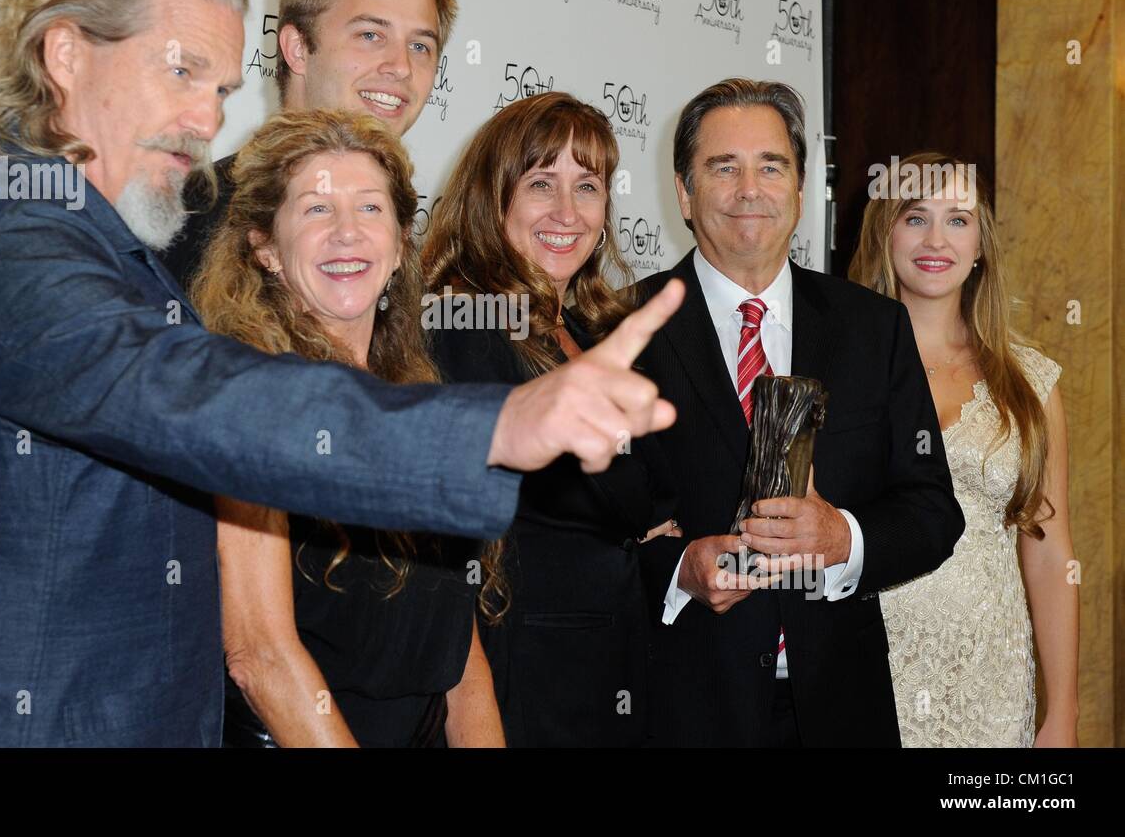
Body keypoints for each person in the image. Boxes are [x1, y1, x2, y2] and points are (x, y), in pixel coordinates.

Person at [0, 0, 685, 747]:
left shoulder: (95, 235)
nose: (206, 120)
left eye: (216, 88)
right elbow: (188, 394)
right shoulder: (8, 236)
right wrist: (500, 425)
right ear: (66, 55)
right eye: (181, 71)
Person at [634, 78, 966, 747]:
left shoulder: (875, 329)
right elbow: (579, 539)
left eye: (771, 166)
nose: (748, 189)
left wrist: (842, 538)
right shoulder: (621, 328)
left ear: (801, 186)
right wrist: (677, 570)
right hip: (682, 713)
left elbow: (933, 513)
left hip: (841, 710)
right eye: (723, 167)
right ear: (684, 191)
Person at [194, 109, 502, 747]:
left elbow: (460, 656)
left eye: (369, 209)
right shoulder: (247, 405)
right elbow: (260, 657)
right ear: (266, 248)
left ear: (397, 244)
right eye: (314, 210)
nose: (346, 234)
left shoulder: (425, 406)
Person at [423, 92, 680, 747]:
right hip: (519, 676)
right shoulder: (464, 318)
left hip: (608, 664)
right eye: (541, 184)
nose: (567, 213)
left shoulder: (592, 327)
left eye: (586, 187)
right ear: (493, 198)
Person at [849, 152, 1078, 747]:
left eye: (958, 219)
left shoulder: (1031, 383)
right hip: (865, 667)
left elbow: (1052, 558)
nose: (935, 239)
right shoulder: (837, 368)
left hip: (992, 685)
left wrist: (1063, 715)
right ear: (884, 231)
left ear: (981, 245)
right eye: (915, 216)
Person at [162, 0, 450, 288]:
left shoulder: (405, 249)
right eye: (370, 36)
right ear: (298, 49)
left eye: (420, 46)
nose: (402, 66)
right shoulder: (185, 219)